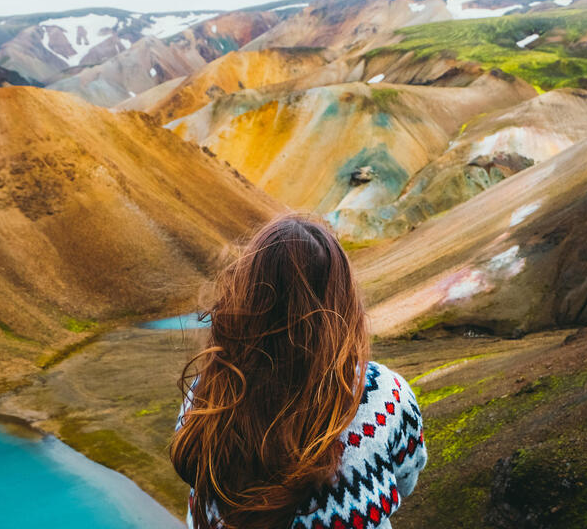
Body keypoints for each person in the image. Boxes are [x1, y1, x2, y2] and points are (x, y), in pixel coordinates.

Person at [171, 214, 427, 529]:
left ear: (247, 294)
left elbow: (199, 493)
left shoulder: (210, 390)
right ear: (343, 300)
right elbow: (407, 476)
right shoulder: (384, 394)